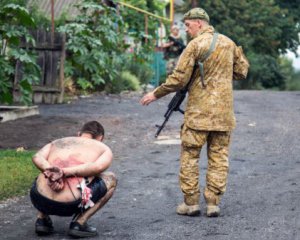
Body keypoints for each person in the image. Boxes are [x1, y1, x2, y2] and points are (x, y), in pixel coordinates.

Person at [140, 8, 249, 217]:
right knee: (219, 158)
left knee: (190, 156)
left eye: (188, 25)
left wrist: (156, 94)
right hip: (223, 116)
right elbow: (242, 71)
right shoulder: (229, 43)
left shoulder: (195, 45)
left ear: (199, 23)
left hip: (198, 115)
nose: (187, 30)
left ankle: (191, 204)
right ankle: (213, 203)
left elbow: (179, 78)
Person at [30, 121, 117, 238]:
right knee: (111, 178)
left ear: (79, 134)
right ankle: (79, 223)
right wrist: (63, 172)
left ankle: (42, 220)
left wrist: (53, 171)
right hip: (71, 204)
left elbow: (37, 157)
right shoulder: (103, 148)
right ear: (101, 138)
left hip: (38, 198)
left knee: (44, 172)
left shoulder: (56, 142)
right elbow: (97, 167)